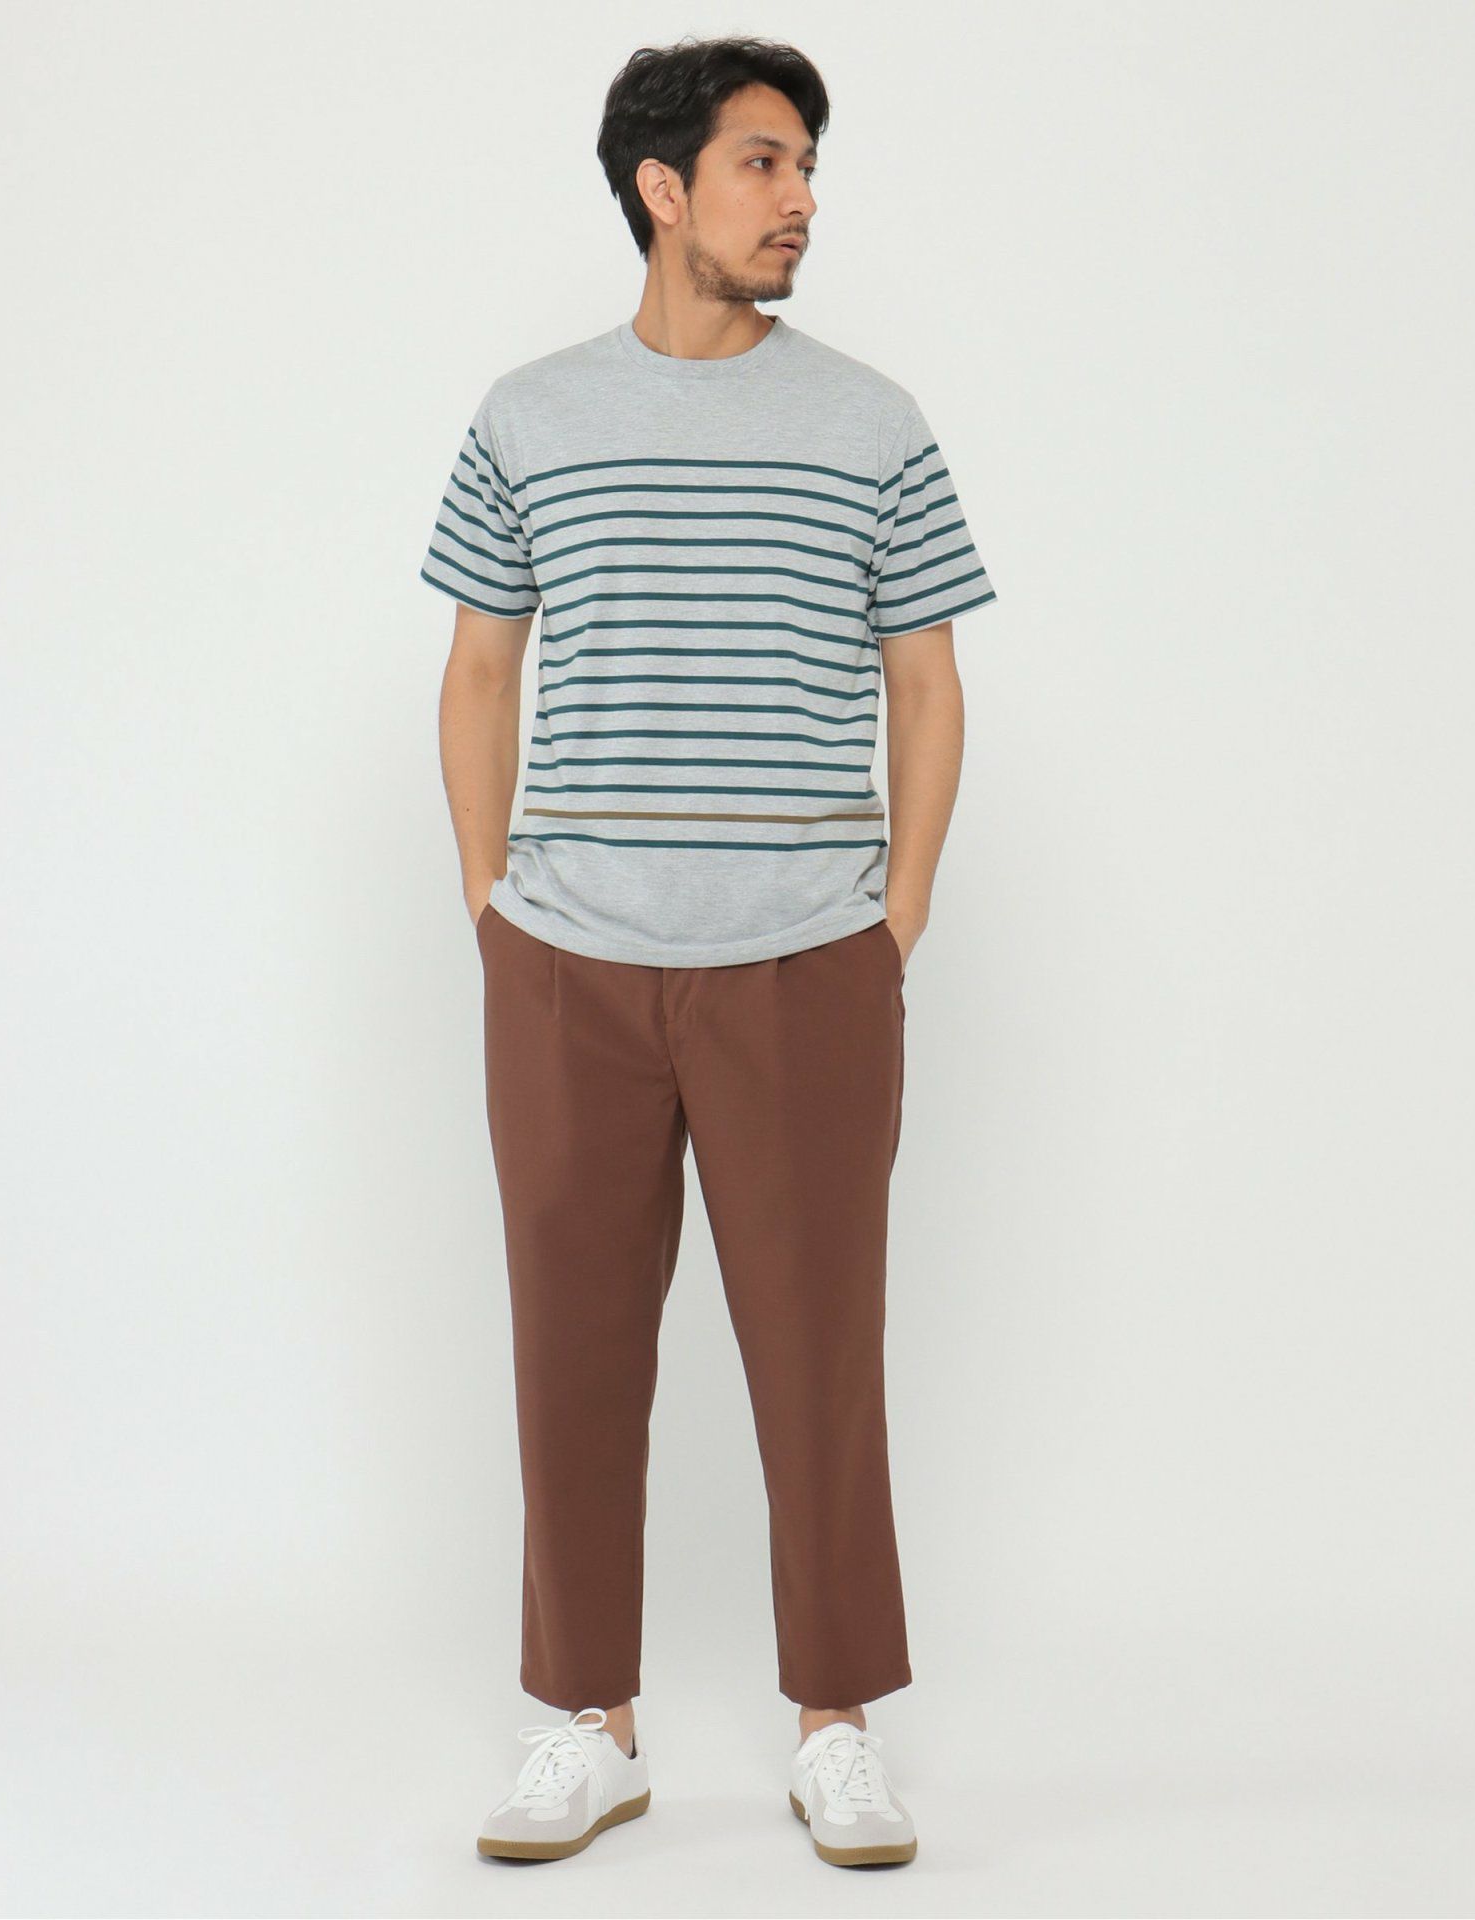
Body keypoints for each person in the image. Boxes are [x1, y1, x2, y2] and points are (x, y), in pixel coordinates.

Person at [420, 33, 997, 1869]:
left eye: (807, 164)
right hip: (569, 965)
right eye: (764, 162)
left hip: (806, 962)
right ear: (661, 190)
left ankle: (836, 1728)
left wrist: (894, 916)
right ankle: (585, 1726)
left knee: (819, 1351)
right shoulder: (530, 414)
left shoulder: (873, 422)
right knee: (572, 1348)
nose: (802, 198)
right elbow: (480, 666)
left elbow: (927, 680)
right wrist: (494, 908)